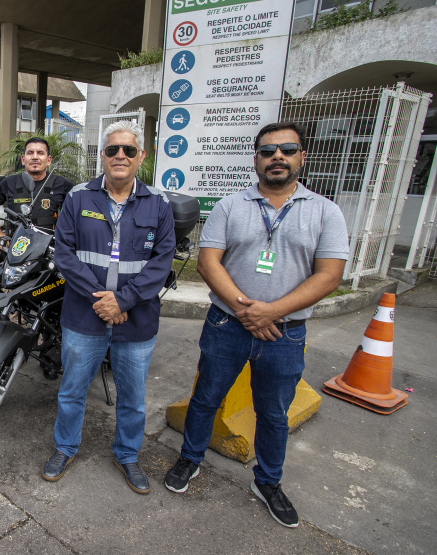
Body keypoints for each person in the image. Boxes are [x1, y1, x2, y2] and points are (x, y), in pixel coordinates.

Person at [163, 122, 349, 528]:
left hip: (284, 333)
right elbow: (208, 261)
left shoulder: (325, 211)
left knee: (274, 413)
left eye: (287, 149)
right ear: (256, 160)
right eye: (268, 151)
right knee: (205, 398)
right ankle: (189, 459)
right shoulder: (231, 206)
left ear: (301, 156)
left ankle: (267, 482)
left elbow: (329, 275)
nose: (277, 157)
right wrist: (248, 309)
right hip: (226, 325)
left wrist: (272, 311)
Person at [42, 120, 176, 495]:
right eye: (113, 149)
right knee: (72, 390)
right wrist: (103, 301)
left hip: (137, 320)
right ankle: (65, 447)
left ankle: (127, 454)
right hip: (85, 316)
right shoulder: (79, 197)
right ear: (102, 155)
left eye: (128, 150)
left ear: (141, 157)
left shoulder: (159, 204)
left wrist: (124, 301)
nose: (120, 156)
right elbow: (65, 254)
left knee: (132, 398)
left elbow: (161, 263)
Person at [0, 137, 73, 248]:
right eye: (30, 153)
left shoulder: (62, 184)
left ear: (49, 160)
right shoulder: (10, 182)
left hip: (48, 250)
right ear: (23, 159)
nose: (35, 157)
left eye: (40, 153)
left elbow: (76, 213)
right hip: (15, 248)